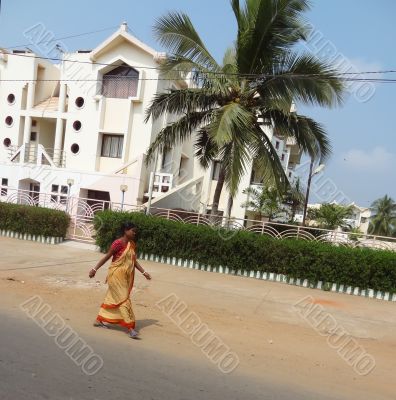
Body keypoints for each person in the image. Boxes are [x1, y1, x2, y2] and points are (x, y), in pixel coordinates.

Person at [89, 222, 151, 339]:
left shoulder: (131, 244)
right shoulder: (118, 243)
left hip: (125, 277)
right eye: (132, 230)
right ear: (125, 231)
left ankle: (99, 320)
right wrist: (94, 269)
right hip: (115, 276)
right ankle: (130, 327)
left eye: (135, 231)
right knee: (124, 299)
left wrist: (143, 272)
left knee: (112, 298)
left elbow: (134, 261)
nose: (134, 233)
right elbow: (107, 257)